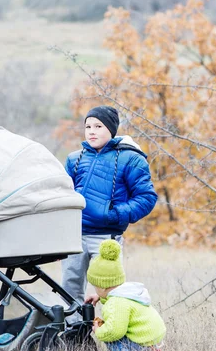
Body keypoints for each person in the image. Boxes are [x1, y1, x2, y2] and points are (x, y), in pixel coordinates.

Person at [62, 105, 157, 303]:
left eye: (98, 126)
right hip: (74, 236)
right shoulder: (74, 159)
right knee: (69, 289)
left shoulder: (130, 158)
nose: (92, 131)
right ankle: (75, 333)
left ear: (111, 129)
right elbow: (62, 194)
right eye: (88, 127)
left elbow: (146, 198)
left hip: (106, 238)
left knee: (110, 292)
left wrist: (114, 214)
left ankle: (112, 332)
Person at [85, 240, 166, 351]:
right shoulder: (127, 292)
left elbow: (114, 332)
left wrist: (98, 331)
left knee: (109, 334)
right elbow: (115, 298)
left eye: (95, 286)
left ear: (102, 286)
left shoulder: (116, 303)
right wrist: (101, 297)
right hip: (153, 341)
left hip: (142, 345)